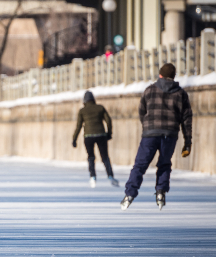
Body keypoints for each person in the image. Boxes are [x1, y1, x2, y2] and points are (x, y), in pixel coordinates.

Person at [121, 63, 192, 211]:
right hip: (170, 134)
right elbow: (186, 119)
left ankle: (129, 194)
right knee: (165, 164)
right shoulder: (181, 93)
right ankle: (161, 192)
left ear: (160, 75)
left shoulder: (149, 90)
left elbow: (142, 111)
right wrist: (187, 141)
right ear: (173, 76)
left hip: (150, 134)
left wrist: (148, 126)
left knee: (140, 165)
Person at [72, 90, 117, 188]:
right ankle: (110, 175)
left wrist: (74, 139)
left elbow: (78, 126)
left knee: (91, 157)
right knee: (105, 157)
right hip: (101, 135)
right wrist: (109, 133)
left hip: (88, 137)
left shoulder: (82, 111)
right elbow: (108, 120)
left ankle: (93, 176)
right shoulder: (100, 108)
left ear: (84, 101)